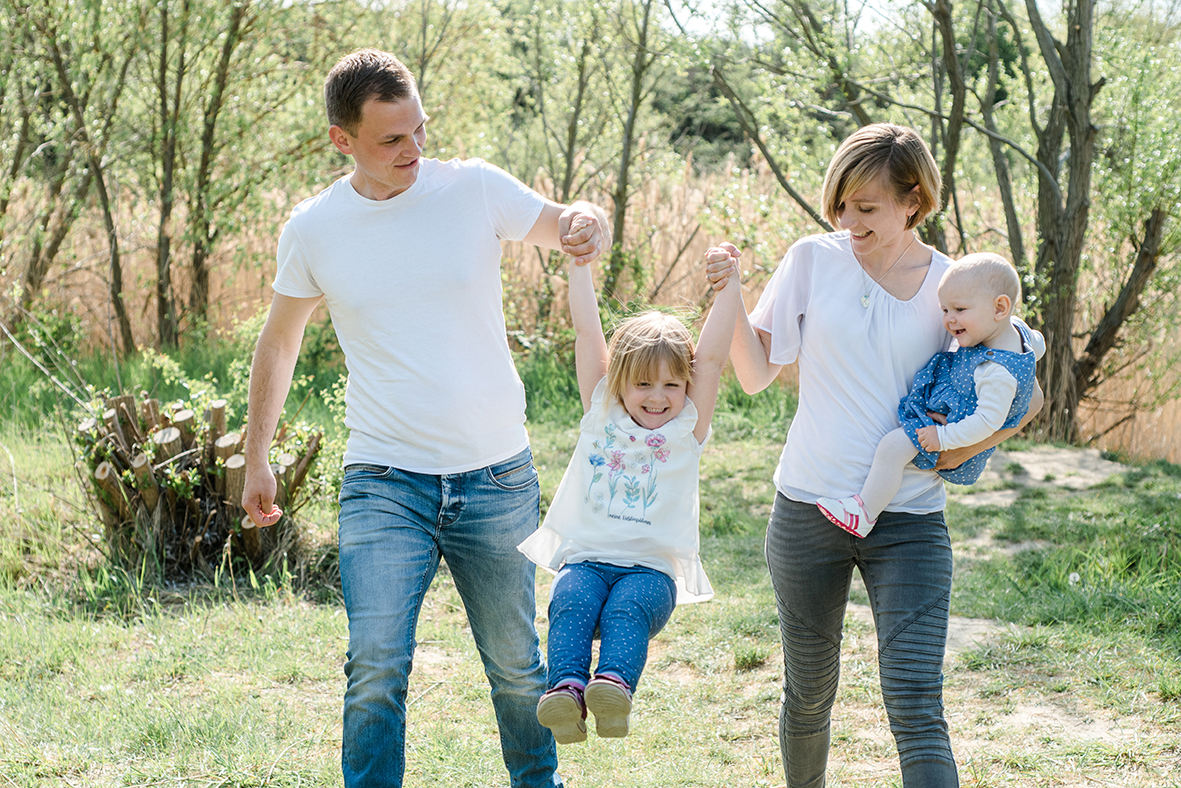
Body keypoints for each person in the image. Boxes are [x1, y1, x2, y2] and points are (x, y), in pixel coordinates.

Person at [240, 49, 609, 788]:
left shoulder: (471, 188)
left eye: (419, 130)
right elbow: (279, 343)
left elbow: (562, 222)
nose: (413, 150)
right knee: (375, 665)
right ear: (342, 139)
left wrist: (586, 220)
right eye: (391, 140)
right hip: (382, 481)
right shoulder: (314, 229)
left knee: (515, 666)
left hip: (496, 474)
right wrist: (256, 456)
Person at [703, 122, 1043, 787]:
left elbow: (1027, 397)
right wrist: (730, 291)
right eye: (839, 205)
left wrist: (962, 450)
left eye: (866, 208)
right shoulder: (810, 259)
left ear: (912, 201)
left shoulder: (957, 282)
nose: (846, 220)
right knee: (806, 696)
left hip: (910, 521)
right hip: (807, 509)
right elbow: (752, 373)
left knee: (916, 703)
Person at [516, 235, 742, 744]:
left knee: (626, 611)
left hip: (652, 571)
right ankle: (566, 693)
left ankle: (612, 691)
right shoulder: (602, 413)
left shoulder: (687, 428)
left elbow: (710, 360)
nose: (659, 397)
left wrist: (729, 286)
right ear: (619, 382)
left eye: (671, 384)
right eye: (643, 384)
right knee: (569, 599)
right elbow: (585, 333)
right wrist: (579, 269)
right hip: (587, 560)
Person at [817, 252, 1045, 537]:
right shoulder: (1018, 332)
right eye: (944, 310)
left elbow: (988, 421)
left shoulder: (996, 371)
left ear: (1000, 307)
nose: (948, 320)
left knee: (893, 447)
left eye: (959, 310)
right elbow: (1038, 344)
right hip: (951, 413)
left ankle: (864, 512)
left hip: (951, 428)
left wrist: (942, 438)